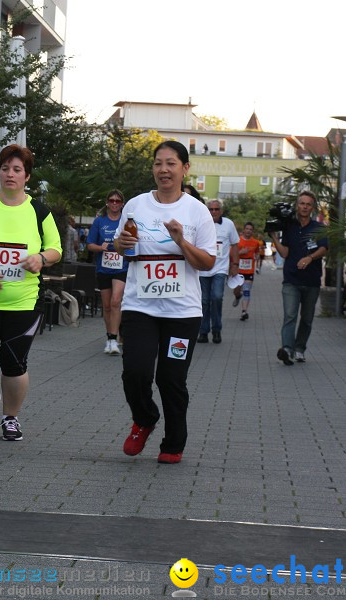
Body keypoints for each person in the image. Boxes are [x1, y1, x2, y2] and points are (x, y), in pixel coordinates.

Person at [113, 141, 216, 464]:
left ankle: (173, 442)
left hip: (182, 312)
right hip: (140, 305)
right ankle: (144, 418)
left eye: (171, 163)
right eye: (158, 163)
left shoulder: (196, 211)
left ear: (185, 168)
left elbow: (207, 263)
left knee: (171, 379)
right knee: (135, 372)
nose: (163, 170)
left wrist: (180, 241)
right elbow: (123, 247)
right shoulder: (136, 205)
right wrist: (121, 242)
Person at [0, 144, 62, 441]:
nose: (10, 174)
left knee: (13, 363)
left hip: (24, 300)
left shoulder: (40, 212)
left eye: (17, 169)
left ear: (27, 176)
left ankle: (10, 418)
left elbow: (56, 249)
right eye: (5, 168)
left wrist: (40, 259)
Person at [270, 191, 328, 365]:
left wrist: (310, 258)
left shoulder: (319, 227)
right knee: (290, 315)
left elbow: (324, 248)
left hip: (312, 281)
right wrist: (274, 237)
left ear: (312, 208)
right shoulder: (290, 226)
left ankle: (300, 348)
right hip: (291, 280)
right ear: (297, 206)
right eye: (302, 203)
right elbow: (285, 253)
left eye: (308, 204)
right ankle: (287, 349)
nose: (304, 207)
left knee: (307, 318)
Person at [86, 189, 128, 355]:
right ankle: (110, 338)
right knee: (107, 305)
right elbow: (89, 245)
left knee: (116, 301)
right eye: (111, 200)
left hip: (121, 267)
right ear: (107, 203)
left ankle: (114, 338)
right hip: (104, 267)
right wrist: (99, 247)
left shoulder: (126, 222)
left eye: (118, 201)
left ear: (122, 203)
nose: (114, 203)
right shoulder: (99, 222)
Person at [196, 199, 238, 344]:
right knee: (204, 301)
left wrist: (235, 265)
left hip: (220, 268)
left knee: (217, 297)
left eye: (216, 209)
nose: (213, 212)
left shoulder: (228, 224)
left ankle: (217, 330)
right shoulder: (200, 222)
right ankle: (203, 331)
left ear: (221, 210)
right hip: (202, 269)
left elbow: (235, 244)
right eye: (211, 209)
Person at [232, 222, 262, 321]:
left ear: (252, 231)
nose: (248, 231)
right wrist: (241, 252)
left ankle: (244, 311)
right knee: (236, 290)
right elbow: (231, 254)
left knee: (246, 291)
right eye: (247, 229)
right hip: (238, 270)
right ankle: (237, 296)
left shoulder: (256, 242)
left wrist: (257, 256)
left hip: (249, 271)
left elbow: (257, 252)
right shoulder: (237, 241)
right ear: (244, 230)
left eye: (250, 229)